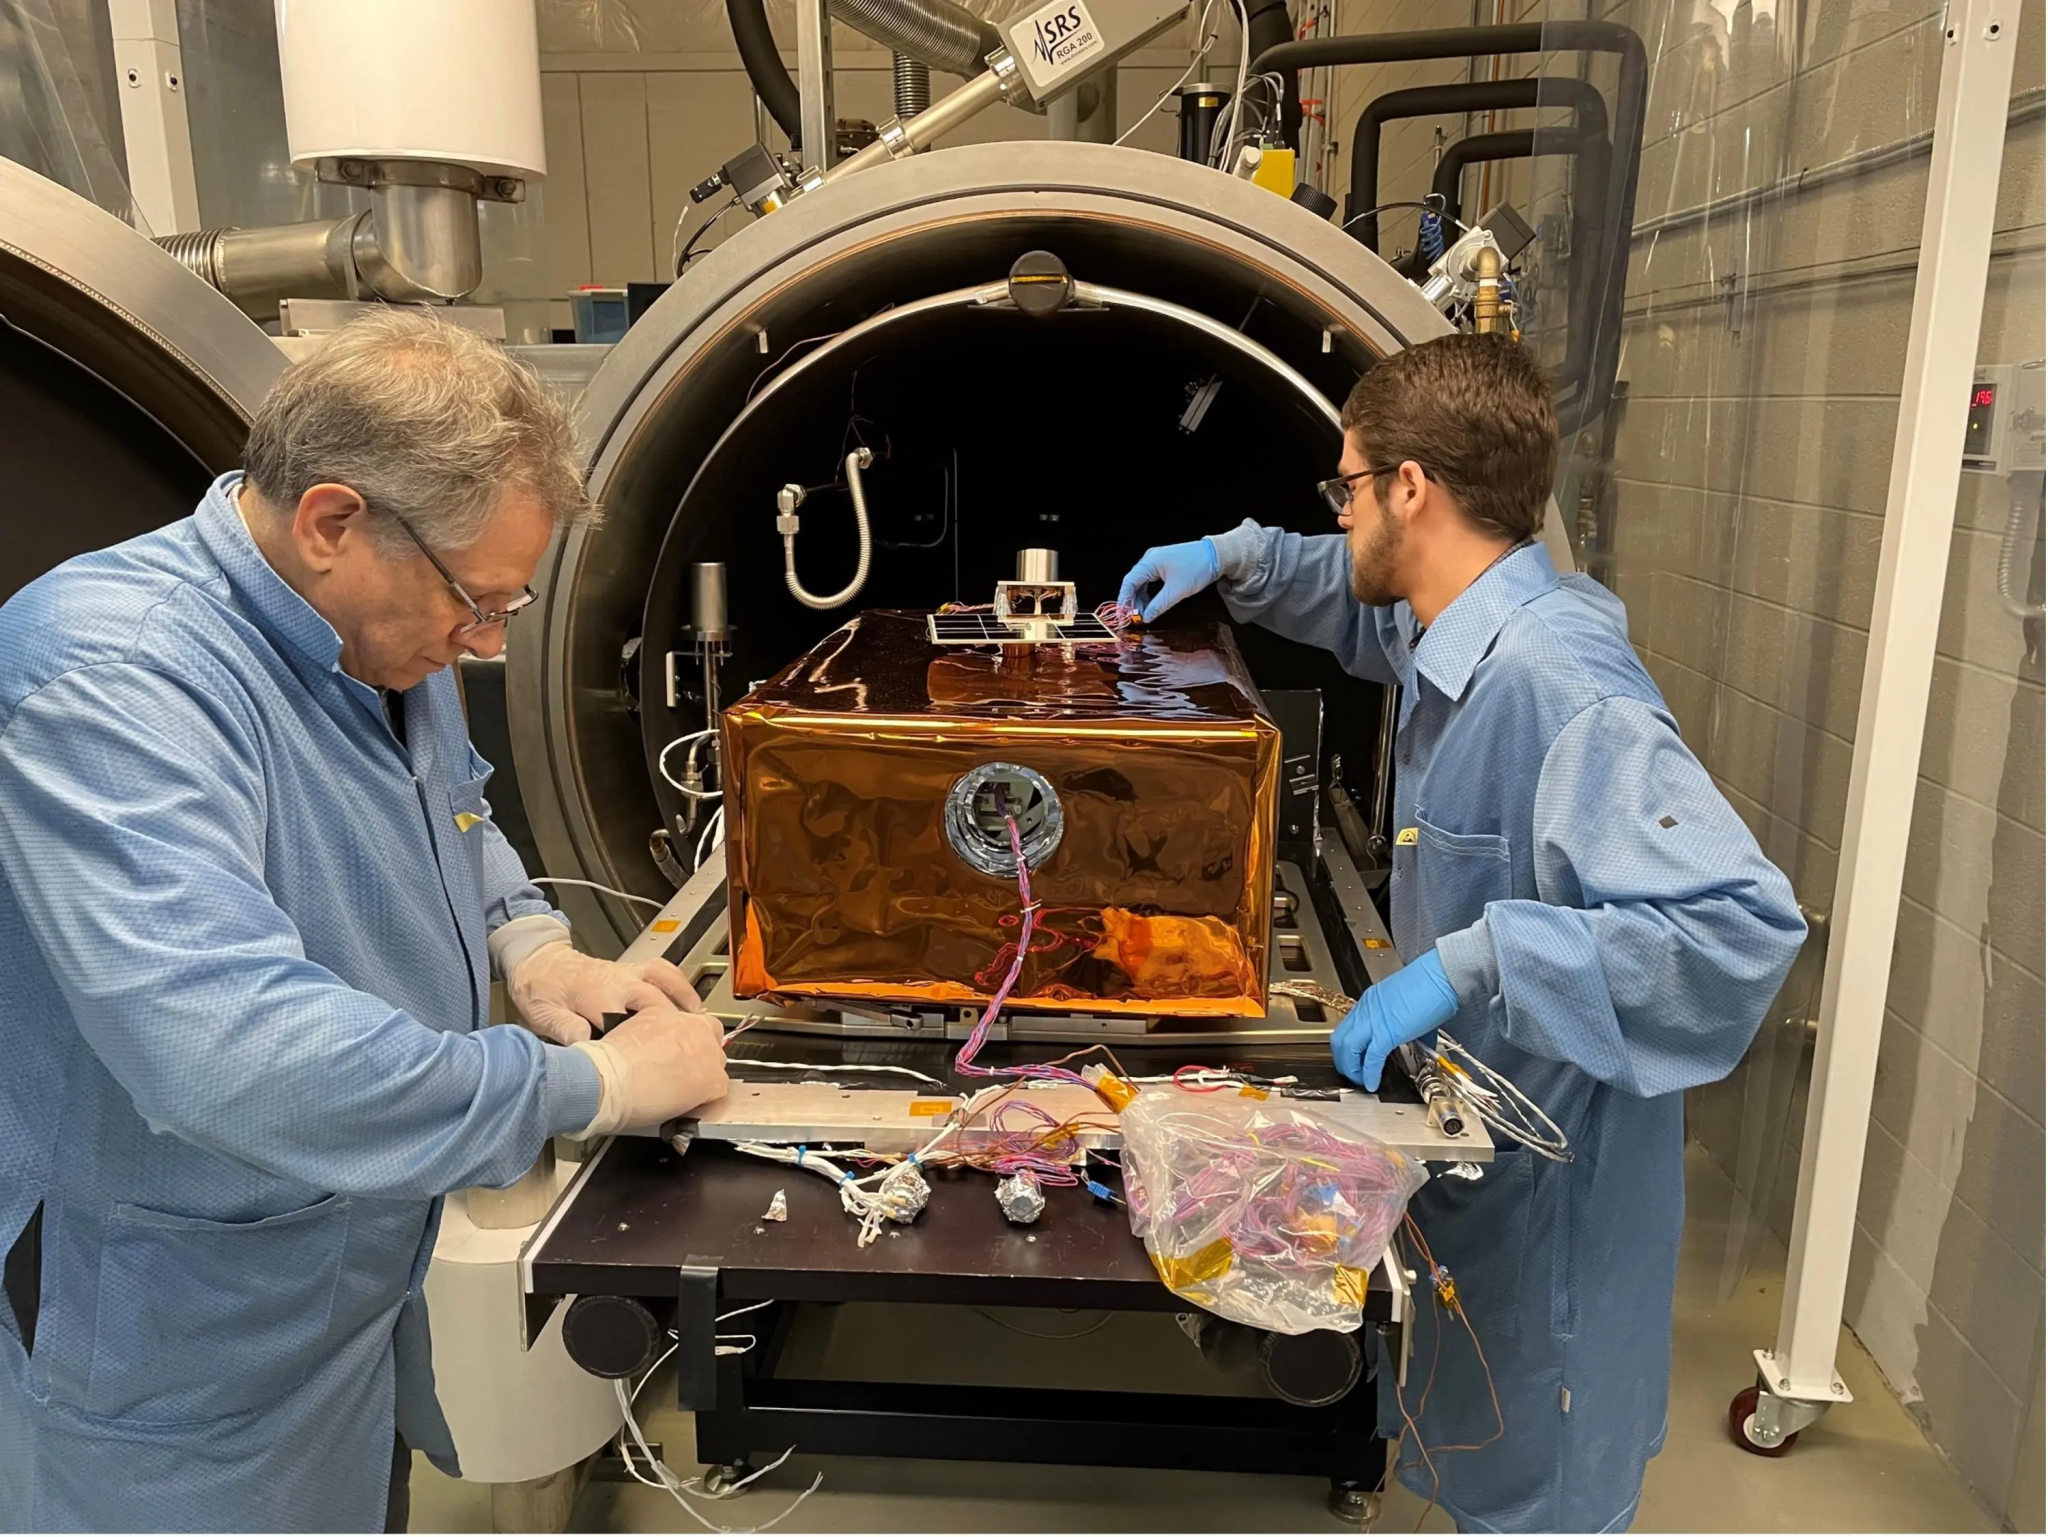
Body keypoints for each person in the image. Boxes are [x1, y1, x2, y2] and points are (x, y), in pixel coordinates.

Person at [0, 310, 730, 1533]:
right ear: (335, 521)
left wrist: (528, 945)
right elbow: (228, 1055)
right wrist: (589, 1087)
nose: (485, 644)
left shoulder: (378, 632)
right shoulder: (115, 682)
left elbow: (450, 809)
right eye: (475, 603)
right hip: (172, 1331)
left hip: (343, 1289)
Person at [1119, 333, 1805, 1532]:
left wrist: (1474, 959)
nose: (1336, 518)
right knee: (1475, 1445)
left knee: (1537, 1484)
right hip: (1481, 1153)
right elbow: (1352, 595)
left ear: (1410, 488)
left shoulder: (1558, 683)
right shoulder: (1464, 623)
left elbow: (1735, 931)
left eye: (1344, 488)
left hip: (1559, 1198)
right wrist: (1230, 557)